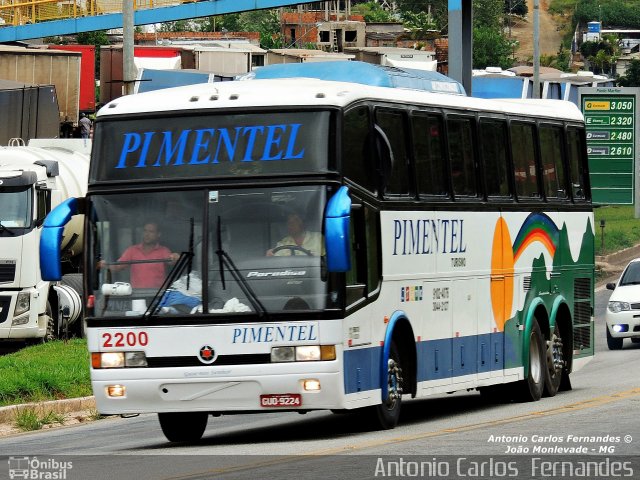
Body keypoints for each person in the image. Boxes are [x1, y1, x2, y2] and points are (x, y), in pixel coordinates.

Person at [99, 222, 179, 289]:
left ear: (158, 234)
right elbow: (118, 266)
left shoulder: (163, 251)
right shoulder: (132, 250)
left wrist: (176, 257)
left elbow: (171, 260)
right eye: (145, 231)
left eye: (151, 232)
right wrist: (106, 265)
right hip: (137, 296)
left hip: (157, 295)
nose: (147, 234)